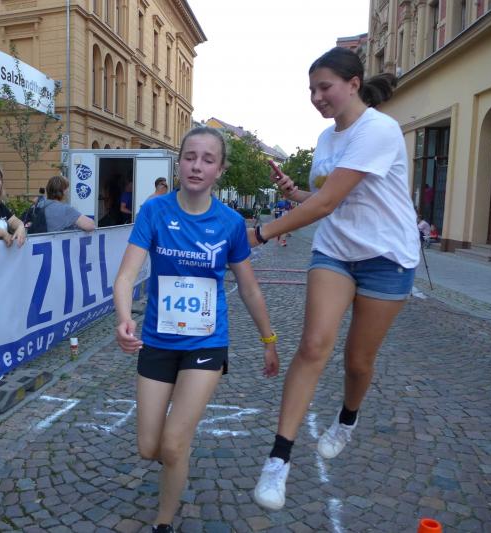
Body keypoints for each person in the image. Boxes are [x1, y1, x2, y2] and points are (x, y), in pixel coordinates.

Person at [247, 47, 420, 511]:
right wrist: (295, 194)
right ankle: (278, 460)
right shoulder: (326, 138)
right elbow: (326, 200)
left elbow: (327, 201)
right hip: (336, 251)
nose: (316, 97)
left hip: (387, 256)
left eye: (324, 87)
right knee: (312, 346)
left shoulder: (379, 129)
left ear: (353, 84)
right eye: (311, 90)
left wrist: (260, 233)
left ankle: (347, 420)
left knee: (357, 362)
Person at [114, 126, 279, 533]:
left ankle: (164, 522)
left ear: (219, 170)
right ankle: (175, 453)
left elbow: (248, 287)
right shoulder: (155, 211)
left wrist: (269, 340)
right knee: (148, 447)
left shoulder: (230, 223)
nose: (196, 166)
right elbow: (127, 275)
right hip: (157, 340)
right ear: (179, 163)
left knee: (173, 444)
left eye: (208, 159)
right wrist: (123, 317)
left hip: (207, 342)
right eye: (190, 157)